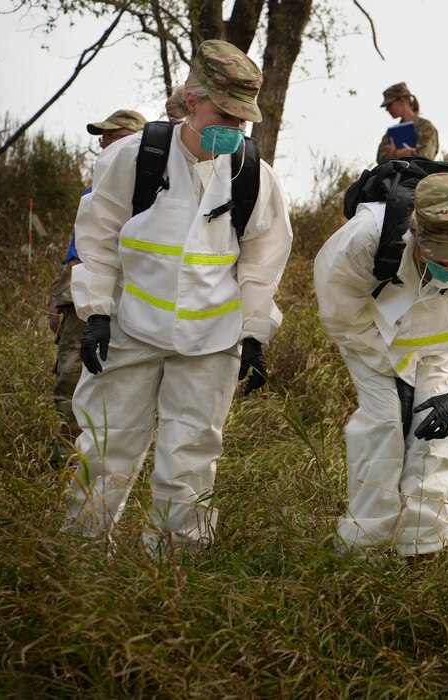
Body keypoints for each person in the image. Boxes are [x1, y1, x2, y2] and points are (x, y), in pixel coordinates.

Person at [64, 40, 293, 553]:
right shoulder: (133, 158)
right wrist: (96, 314)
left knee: (191, 454)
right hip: (130, 326)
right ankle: (79, 559)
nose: (232, 130)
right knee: (106, 445)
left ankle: (175, 565)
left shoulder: (253, 175)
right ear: (192, 102)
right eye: (223, 115)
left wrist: (255, 335)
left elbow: (262, 263)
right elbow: (97, 242)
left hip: (212, 339)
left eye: (242, 121)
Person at [314, 172, 448, 559]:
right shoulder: (366, 238)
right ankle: (364, 550)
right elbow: (339, 316)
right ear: (415, 235)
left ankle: (423, 547)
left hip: (441, 343)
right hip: (372, 339)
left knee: (433, 438)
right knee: (383, 429)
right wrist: (395, 373)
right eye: (439, 256)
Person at [47, 109, 146, 467]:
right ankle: (67, 466)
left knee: (88, 382)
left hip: (114, 303)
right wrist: (59, 299)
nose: (103, 143)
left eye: (112, 136)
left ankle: (85, 469)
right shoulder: (98, 185)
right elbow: (81, 248)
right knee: (67, 379)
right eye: (102, 138)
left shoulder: (147, 187)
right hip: (76, 293)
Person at [375, 82, 439, 163]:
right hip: (395, 175)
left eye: (389, 105)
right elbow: (380, 159)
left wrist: (399, 155)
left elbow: (425, 159)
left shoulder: (425, 127)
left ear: (402, 100)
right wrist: (397, 154)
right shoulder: (392, 133)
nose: (387, 109)